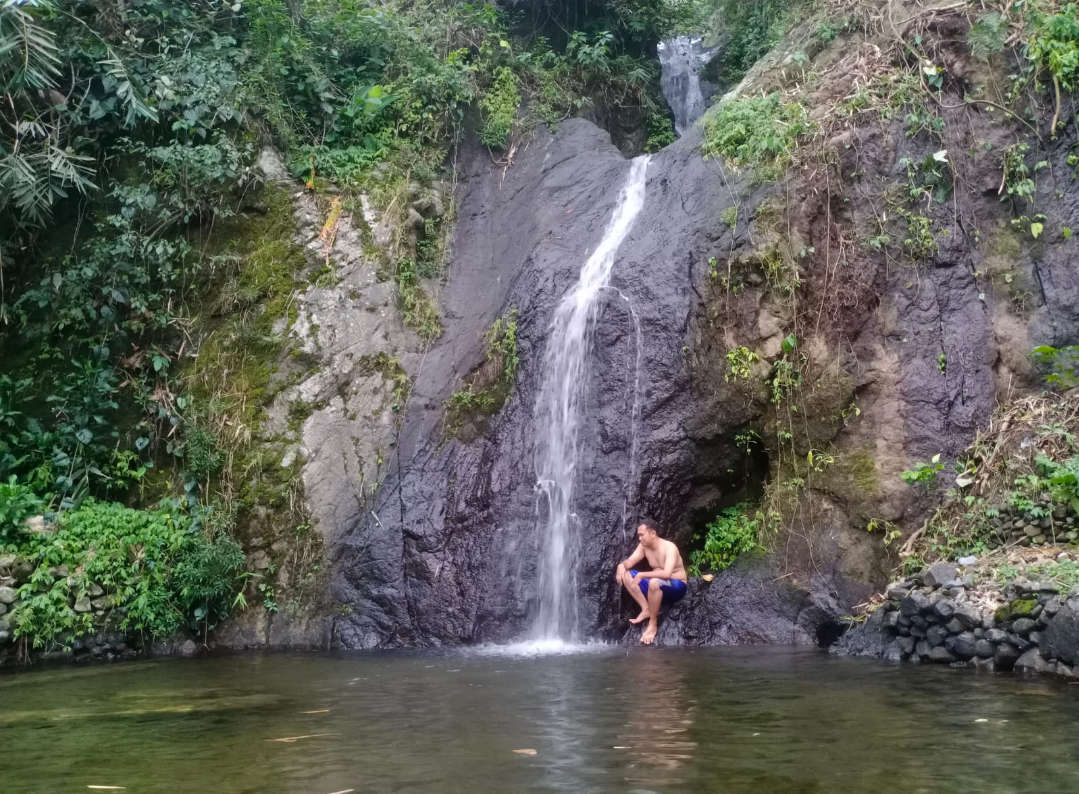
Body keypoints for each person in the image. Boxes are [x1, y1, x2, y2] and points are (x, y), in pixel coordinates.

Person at [615, 518, 688, 645]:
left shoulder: (670, 548)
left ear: (653, 533)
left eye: (641, 535)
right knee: (626, 574)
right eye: (639, 535)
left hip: (676, 586)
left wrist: (642, 575)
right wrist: (621, 565)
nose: (639, 538)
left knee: (654, 582)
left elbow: (666, 574)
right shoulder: (644, 546)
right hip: (656, 588)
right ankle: (646, 609)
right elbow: (630, 562)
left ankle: (653, 623)